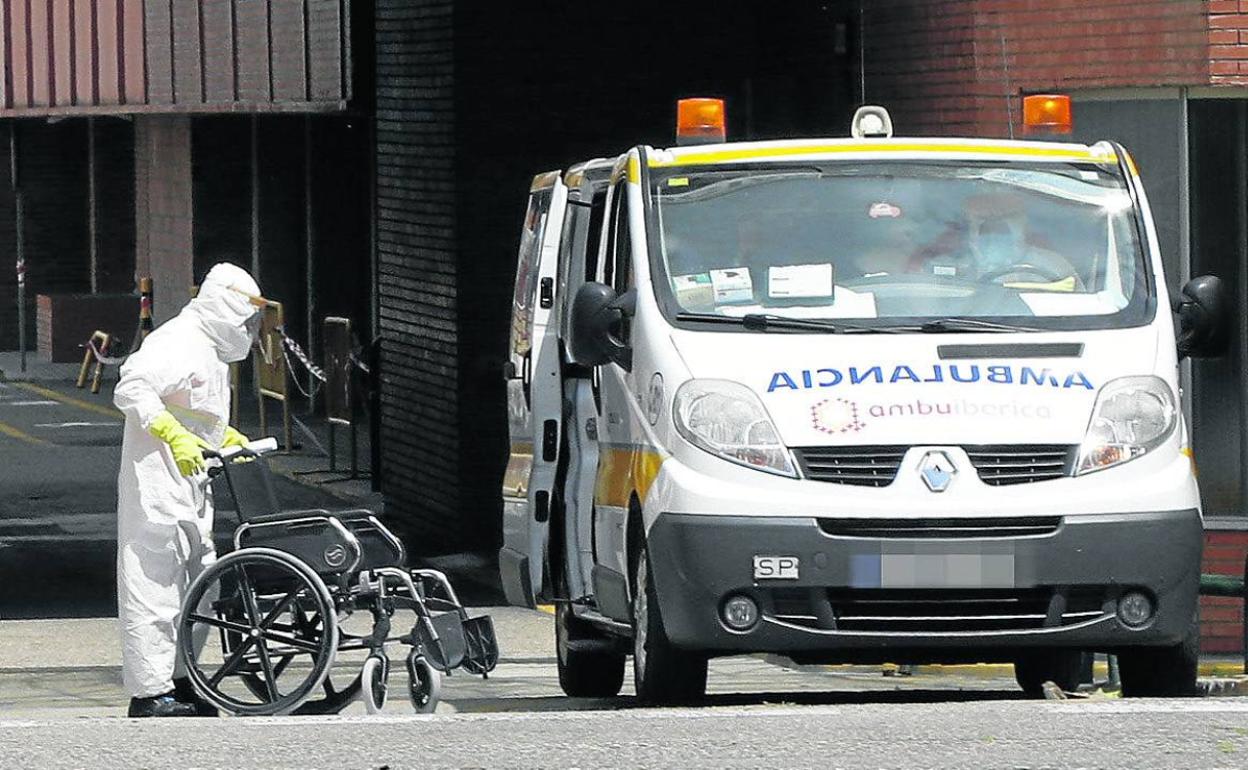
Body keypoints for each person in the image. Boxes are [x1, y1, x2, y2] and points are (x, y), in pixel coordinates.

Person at [113, 262, 265, 717]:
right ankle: (149, 692)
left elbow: (196, 413)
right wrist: (174, 436)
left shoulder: (210, 350)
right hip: (156, 483)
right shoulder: (178, 341)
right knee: (154, 584)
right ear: (225, 307)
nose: (250, 329)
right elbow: (133, 386)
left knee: (198, 585)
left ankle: (183, 679)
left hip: (191, 482)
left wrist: (225, 437)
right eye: (246, 318)